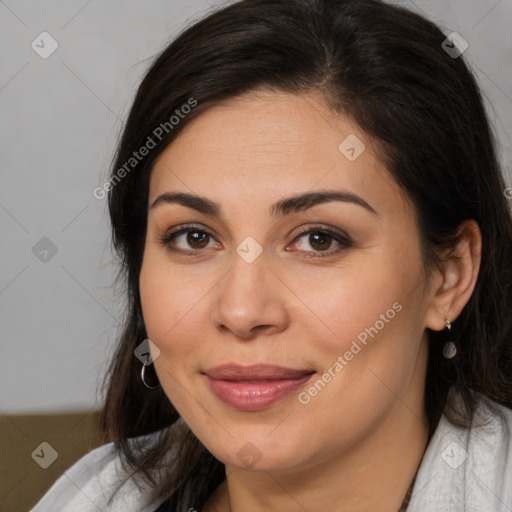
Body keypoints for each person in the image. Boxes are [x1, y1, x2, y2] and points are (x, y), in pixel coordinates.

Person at [31, 0, 512, 510]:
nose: (241, 311)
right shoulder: (87, 497)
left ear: (449, 275)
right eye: (195, 237)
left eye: (318, 239)